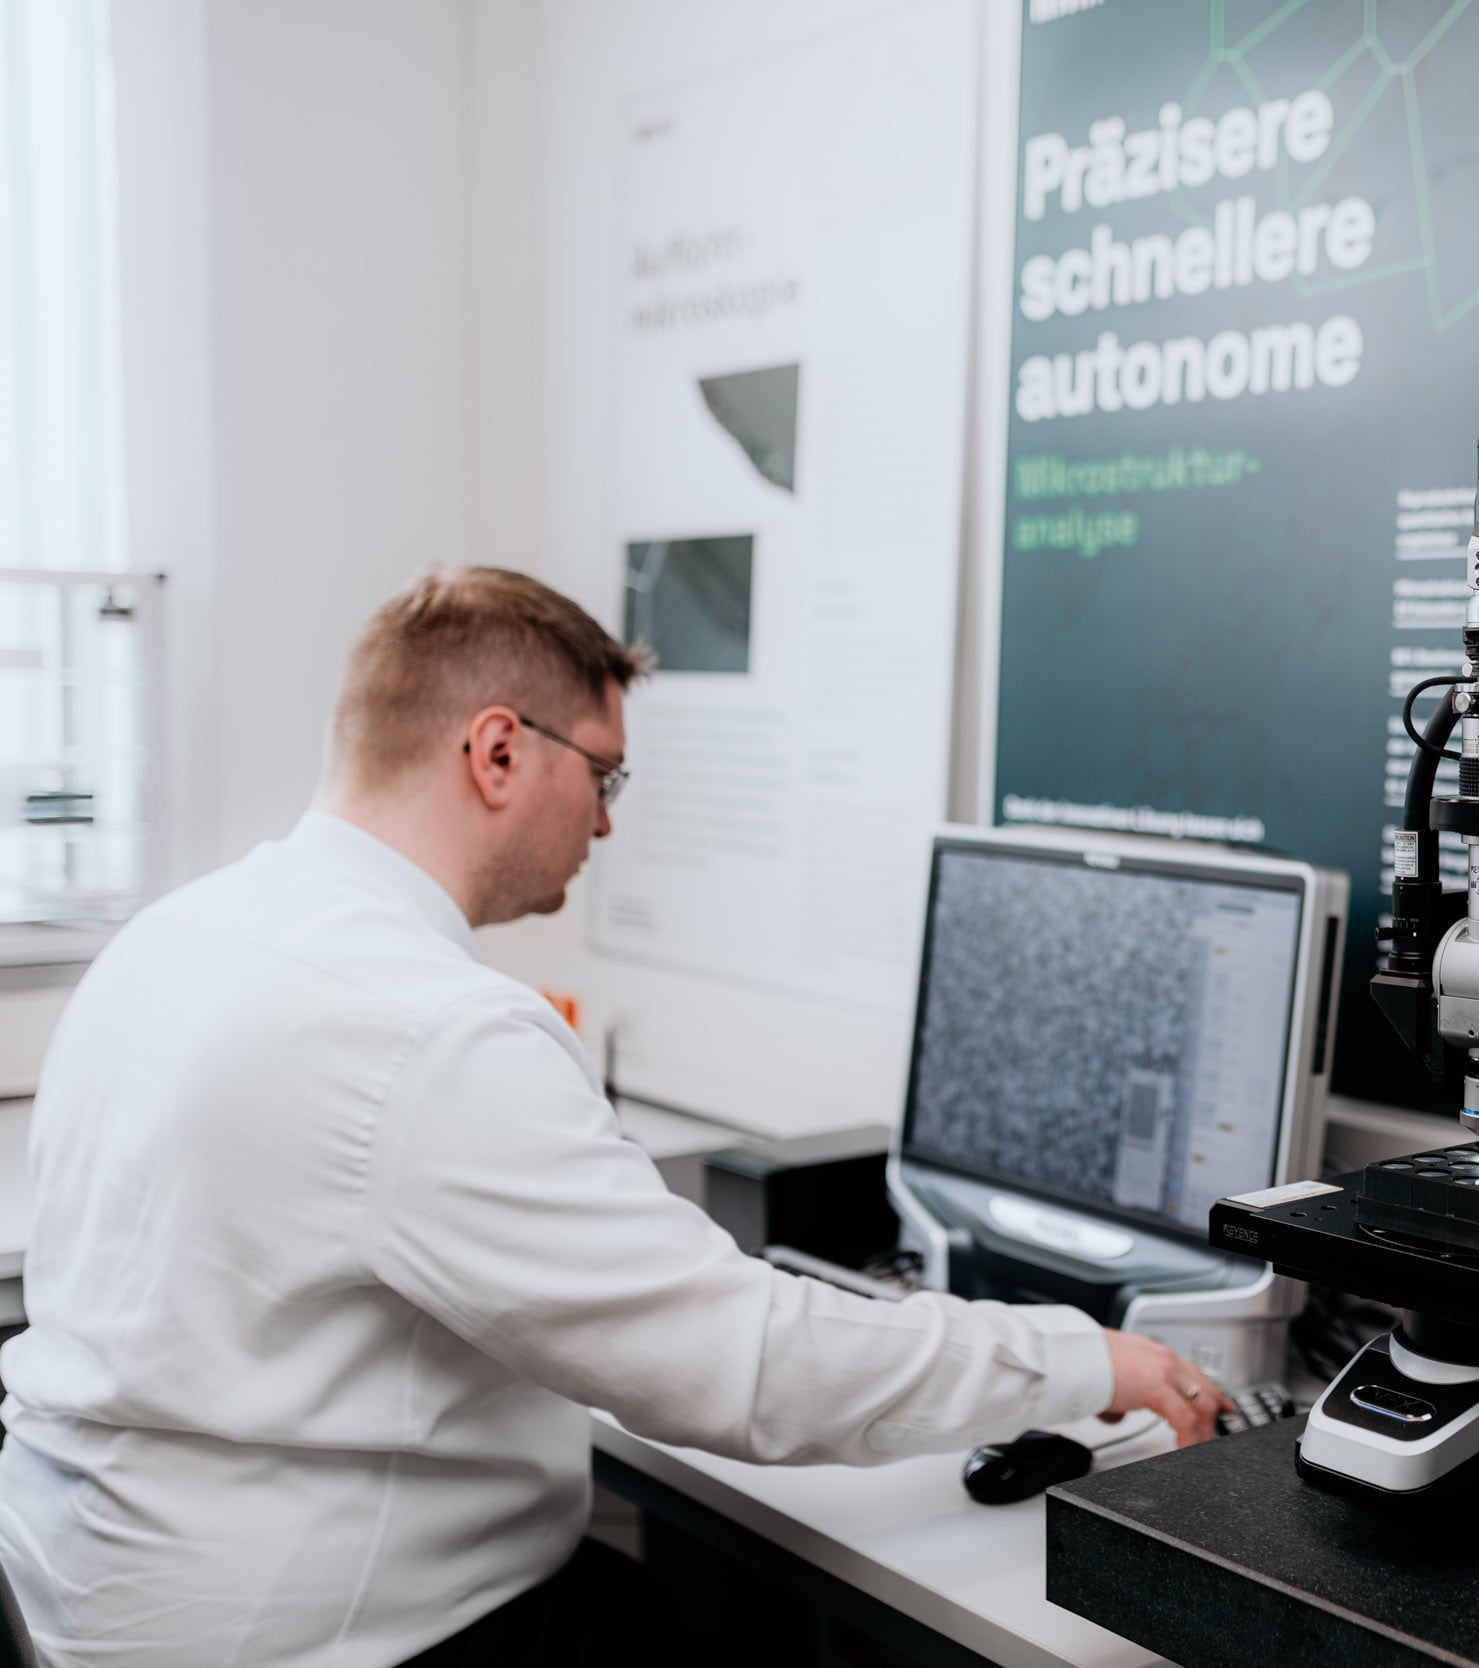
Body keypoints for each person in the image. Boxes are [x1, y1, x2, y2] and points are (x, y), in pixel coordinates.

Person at [0, 568, 1227, 1668]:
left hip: (86, 1595)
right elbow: (743, 1372)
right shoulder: (432, 1029)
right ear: (496, 752)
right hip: (319, 1635)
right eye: (603, 772)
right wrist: (1078, 1358)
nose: (605, 821)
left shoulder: (176, 933)